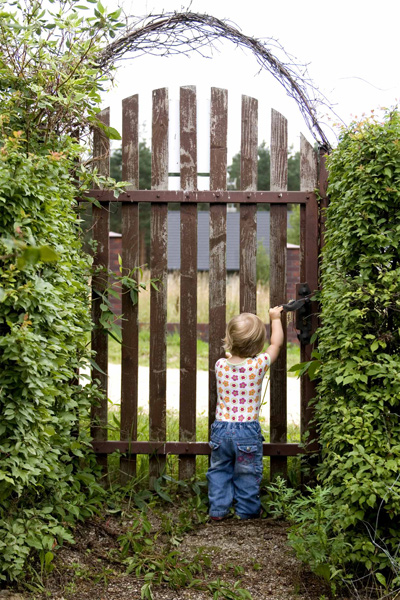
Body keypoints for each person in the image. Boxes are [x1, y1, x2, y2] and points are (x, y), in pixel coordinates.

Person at [206, 307, 284, 520]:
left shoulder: (220, 365)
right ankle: (247, 511)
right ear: (258, 345)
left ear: (229, 340)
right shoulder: (258, 365)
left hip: (221, 430)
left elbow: (232, 356)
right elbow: (276, 344)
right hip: (247, 431)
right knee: (247, 473)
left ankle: (218, 510)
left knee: (219, 470)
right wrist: (275, 318)